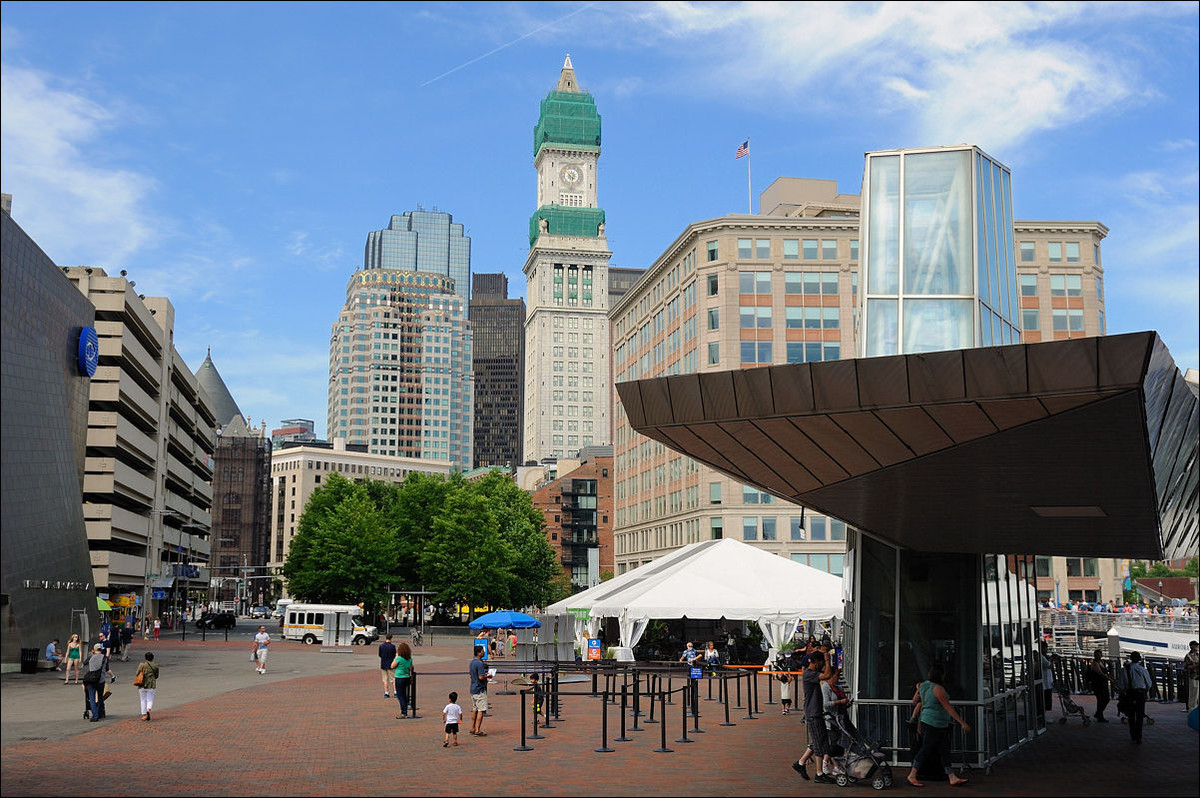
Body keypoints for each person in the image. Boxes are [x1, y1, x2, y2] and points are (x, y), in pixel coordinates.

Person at [907, 664, 970, 787]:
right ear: (941, 675)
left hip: (928, 721)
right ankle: (912, 775)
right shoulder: (938, 689)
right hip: (935, 723)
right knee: (926, 749)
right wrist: (962, 723)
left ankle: (952, 776)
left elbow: (915, 700)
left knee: (944, 750)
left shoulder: (923, 685)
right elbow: (948, 707)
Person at [792, 651, 834, 783]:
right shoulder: (809, 674)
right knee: (819, 742)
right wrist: (828, 659)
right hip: (813, 712)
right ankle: (819, 773)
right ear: (816, 661)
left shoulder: (812, 674)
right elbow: (827, 675)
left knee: (819, 739)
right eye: (821, 662)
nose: (823, 664)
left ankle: (801, 763)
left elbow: (828, 674)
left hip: (815, 711)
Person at [1117, 651, 1152, 744]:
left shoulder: (1125, 669)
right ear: (1139, 659)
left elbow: (1121, 685)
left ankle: (1133, 735)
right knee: (1140, 715)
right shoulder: (1142, 669)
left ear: (1131, 658)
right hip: (1140, 694)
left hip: (1129, 694)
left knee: (1131, 715)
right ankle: (1139, 736)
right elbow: (1149, 683)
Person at [1087, 648, 1116, 722]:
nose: (1098, 656)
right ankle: (1099, 715)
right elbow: (1100, 673)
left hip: (1103, 683)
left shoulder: (1101, 662)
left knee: (1106, 699)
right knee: (1101, 699)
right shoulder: (1094, 663)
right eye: (1096, 655)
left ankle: (1099, 714)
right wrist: (1110, 679)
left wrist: (1110, 677)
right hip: (1097, 684)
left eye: (1099, 654)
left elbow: (1105, 672)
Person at [468, 645, 491, 736]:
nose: (483, 652)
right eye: (482, 651)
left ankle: (473, 727)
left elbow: (470, 675)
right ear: (478, 653)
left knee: (475, 709)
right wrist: (487, 676)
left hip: (473, 688)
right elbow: (481, 677)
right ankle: (478, 729)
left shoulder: (472, 662)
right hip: (480, 688)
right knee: (481, 709)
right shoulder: (480, 663)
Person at [83, 644, 107, 722]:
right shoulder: (104, 658)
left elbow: (84, 662)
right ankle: (99, 713)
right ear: (101, 649)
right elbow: (107, 668)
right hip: (101, 680)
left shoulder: (91, 657)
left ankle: (95, 715)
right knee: (100, 697)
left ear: (94, 650)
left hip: (91, 680)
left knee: (91, 698)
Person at [134, 651, 159, 721]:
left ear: (145, 658)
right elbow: (156, 676)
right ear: (152, 658)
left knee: (143, 700)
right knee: (150, 699)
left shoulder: (142, 665)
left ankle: (144, 714)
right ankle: (148, 709)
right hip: (151, 684)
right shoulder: (155, 665)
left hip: (142, 684)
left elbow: (137, 673)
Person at [393, 641, 414, 718]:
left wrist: (396, 657)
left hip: (399, 677)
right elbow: (411, 667)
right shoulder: (409, 659)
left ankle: (403, 712)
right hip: (406, 677)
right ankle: (405, 709)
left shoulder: (399, 658)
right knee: (404, 694)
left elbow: (392, 666)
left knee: (400, 695)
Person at [378, 634, 397, 698]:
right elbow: (394, 655)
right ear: (391, 638)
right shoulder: (392, 646)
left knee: (385, 679)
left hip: (383, 664)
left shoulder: (381, 646)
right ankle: (395, 692)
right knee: (393, 679)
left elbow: (380, 655)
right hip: (391, 664)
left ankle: (386, 692)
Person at [1038, 643, 1054, 718]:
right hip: (1045, 683)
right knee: (1045, 700)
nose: (1047, 649)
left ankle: (1043, 715)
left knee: (1046, 700)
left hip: (1047, 682)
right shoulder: (1041, 657)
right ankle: (1042, 716)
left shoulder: (1045, 657)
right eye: (1046, 648)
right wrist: (1053, 661)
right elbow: (1049, 665)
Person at [1184, 640, 1199, 713]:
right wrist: (1196, 665)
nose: (1197, 647)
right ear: (1191, 646)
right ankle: (1192, 708)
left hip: (1198, 676)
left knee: (1197, 693)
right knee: (1193, 693)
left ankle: (1196, 707)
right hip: (1193, 676)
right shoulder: (1188, 656)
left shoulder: (1198, 655)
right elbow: (1186, 667)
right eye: (1195, 645)